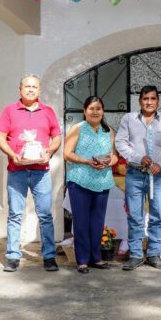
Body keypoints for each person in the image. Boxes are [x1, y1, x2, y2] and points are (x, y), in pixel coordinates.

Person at [0, 74, 62, 272]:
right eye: (27, 86)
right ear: (20, 90)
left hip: (41, 172)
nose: (31, 90)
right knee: (15, 214)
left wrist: (49, 152)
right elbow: (0, 136)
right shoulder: (9, 111)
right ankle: (13, 256)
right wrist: (12, 154)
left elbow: (57, 137)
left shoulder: (48, 111)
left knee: (45, 215)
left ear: (39, 90)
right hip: (17, 170)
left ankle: (49, 256)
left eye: (34, 87)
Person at [115, 85, 161, 271]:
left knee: (157, 216)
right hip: (135, 174)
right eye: (145, 99)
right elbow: (120, 143)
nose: (149, 102)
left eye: (153, 99)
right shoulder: (129, 119)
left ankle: (154, 254)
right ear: (140, 101)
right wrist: (138, 157)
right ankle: (135, 255)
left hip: (158, 176)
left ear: (158, 101)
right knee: (135, 216)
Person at [63, 96, 117, 273]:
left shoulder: (108, 131)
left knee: (98, 222)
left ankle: (96, 258)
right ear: (84, 111)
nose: (95, 112)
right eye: (91, 108)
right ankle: (83, 260)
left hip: (102, 181)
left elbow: (114, 156)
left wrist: (109, 162)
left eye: (98, 108)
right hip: (80, 180)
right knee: (81, 222)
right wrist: (87, 161)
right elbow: (67, 153)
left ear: (103, 111)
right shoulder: (77, 128)